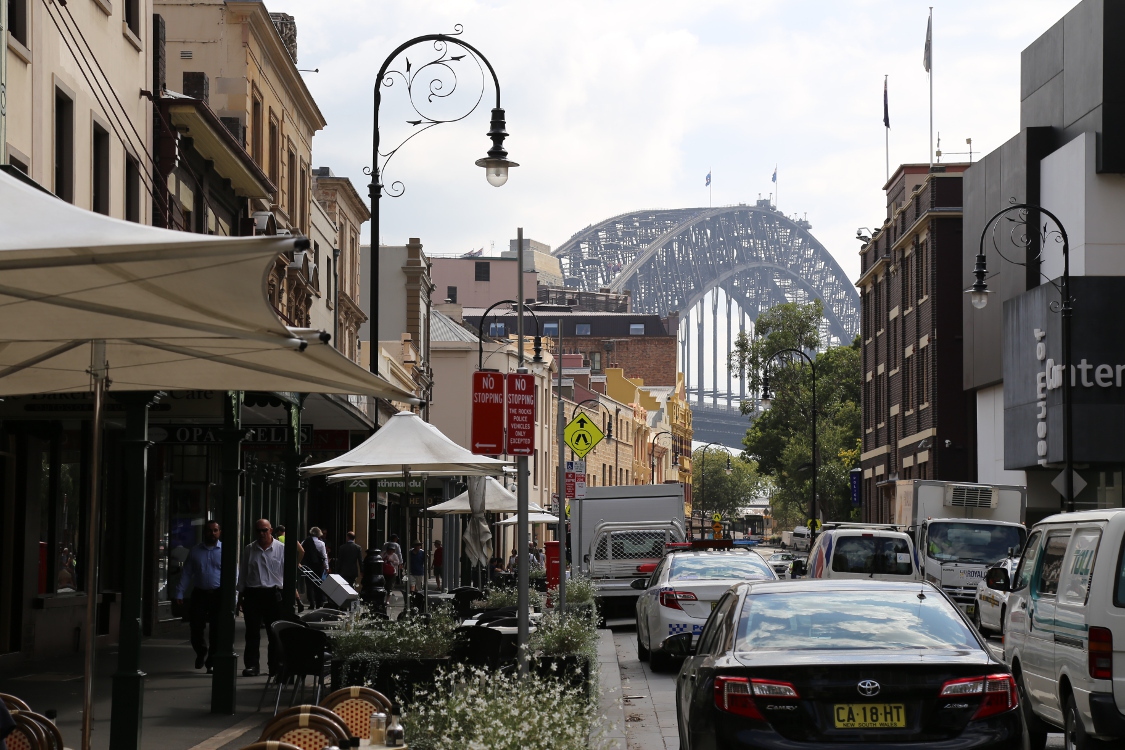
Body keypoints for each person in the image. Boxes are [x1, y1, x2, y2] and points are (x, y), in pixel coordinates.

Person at [175, 520, 226, 673]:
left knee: (216, 629)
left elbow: (233, 574)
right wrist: (179, 592)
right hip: (200, 593)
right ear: (205, 532)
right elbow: (187, 573)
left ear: (220, 532)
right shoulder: (195, 551)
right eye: (210, 530)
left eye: (215, 530)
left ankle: (212, 659)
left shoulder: (225, 551)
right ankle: (201, 651)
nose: (213, 533)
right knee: (196, 627)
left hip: (218, 594)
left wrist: (234, 595)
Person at [237, 518, 285, 677]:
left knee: (274, 632)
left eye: (265, 530)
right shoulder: (250, 549)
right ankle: (252, 665)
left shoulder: (281, 549)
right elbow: (243, 574)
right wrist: (240, 596)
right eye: (259, 530)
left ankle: (274, 666)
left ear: (271, 531)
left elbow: (288, 571)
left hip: (273, 594)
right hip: (253, 594)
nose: (262, 533)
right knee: (251, 633)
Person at [301, 526, 328, 608]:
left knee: (309, 585)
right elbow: (324, 556)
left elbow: (301, 551)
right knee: (318, 583)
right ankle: (319, 603)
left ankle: (311, 603)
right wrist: (326, 567)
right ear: (319, 535)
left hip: (308, 566)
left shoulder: (305, 542)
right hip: (318, 566)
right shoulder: (321, 544)